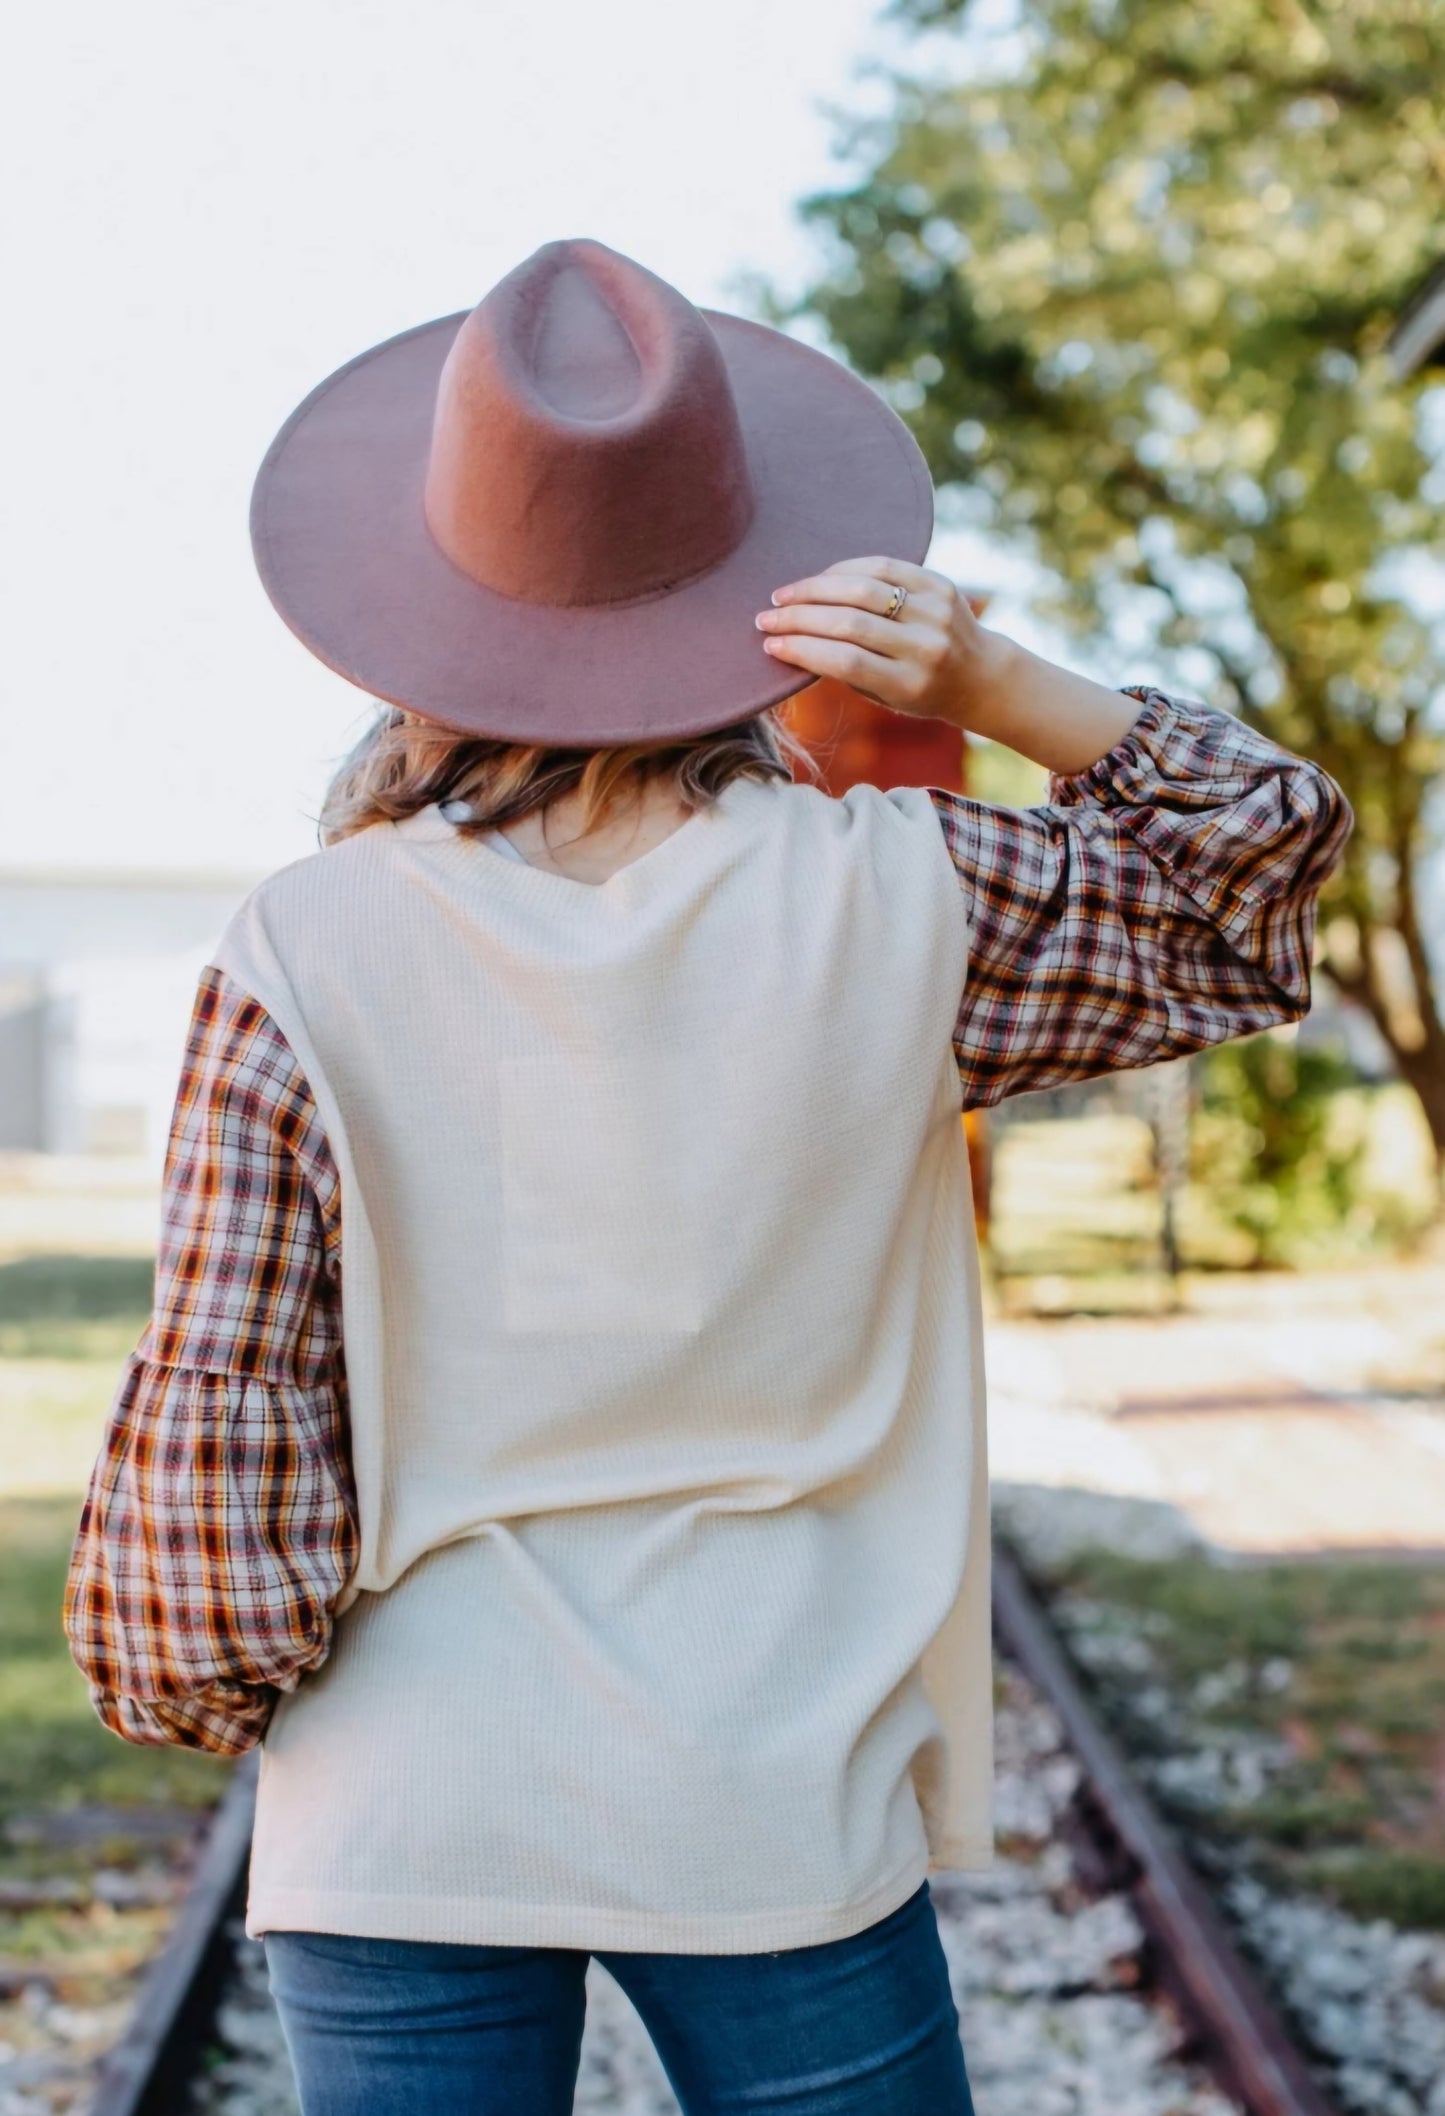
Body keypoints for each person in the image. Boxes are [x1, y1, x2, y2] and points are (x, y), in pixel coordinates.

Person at [64, 239, 1350, 2116]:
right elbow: (1255, 884)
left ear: (423, 607)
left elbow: (221, 1409)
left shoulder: (303, 946)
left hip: (409, 1792)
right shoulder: (915, 902)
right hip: (770, 1783)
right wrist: (995, 677)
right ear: (760, 589)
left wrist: (212, 1683)